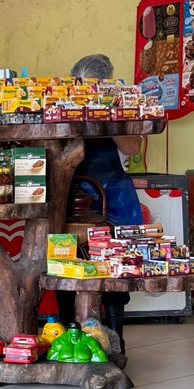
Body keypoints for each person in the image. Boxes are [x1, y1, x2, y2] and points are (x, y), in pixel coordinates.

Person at [57, 54, 143, 352]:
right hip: (72, 194)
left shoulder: (119, 106)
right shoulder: (63, 104)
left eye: (94, 86)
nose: (87, 92)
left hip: (114, 194)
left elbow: (132, 147)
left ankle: (116, 338)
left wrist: (109, 110)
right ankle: (70, 336)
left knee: (117, 263)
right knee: (66, 264)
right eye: (82, 86)